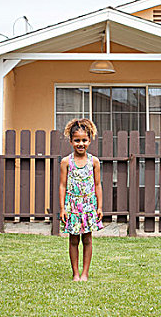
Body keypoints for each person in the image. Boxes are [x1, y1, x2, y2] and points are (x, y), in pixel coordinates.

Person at [59, 118, 103, 281]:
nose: (81, 144)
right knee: (73, 239)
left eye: (84, 140)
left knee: (87, 239)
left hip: (88, 206)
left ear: (89, 140)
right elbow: (62, 185)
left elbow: (98, 185)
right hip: (72, 207)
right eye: (77, 140)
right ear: (71, 141)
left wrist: (99, 207)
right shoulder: (66, 162)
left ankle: (85, 273)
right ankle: (75, 273)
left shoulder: (94, 162)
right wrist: (63, 208)